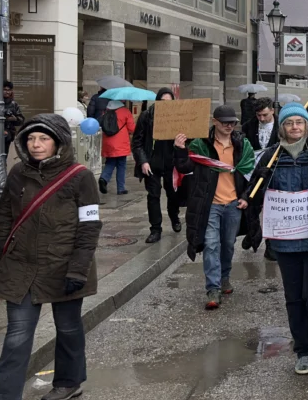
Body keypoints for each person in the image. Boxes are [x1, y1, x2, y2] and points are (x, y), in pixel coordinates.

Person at [0, 114, 101, 400]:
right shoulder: (18, 173)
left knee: (69, 329)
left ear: (58, 141)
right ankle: (4, 397)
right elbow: (5, 220)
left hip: (64, 265)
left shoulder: (80, 177)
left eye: (43, 138)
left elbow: (89, 225)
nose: (36, 144)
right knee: (17, 333)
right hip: (21, 266)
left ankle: (68, 383)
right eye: (31, 138)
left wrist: (78, 269)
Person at [239, 103, 308, 375]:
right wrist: (246, 200)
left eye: (299, 123)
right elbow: (255, 186)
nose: (295, 128)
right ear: (282, 127)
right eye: (289, 123)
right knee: (293, 297)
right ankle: (302, 349)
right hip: (285, 241)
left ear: (306, 126)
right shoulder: (270, 156)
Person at [174, 105, 256, 310]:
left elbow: (250, 174)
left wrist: (246, 197)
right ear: (214, 122)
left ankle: (225, 277)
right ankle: (213, 288)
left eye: (233, 122)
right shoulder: (201, 145)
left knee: (228, 245)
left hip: (233, 204)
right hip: (209, 204)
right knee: (211, 245)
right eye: (225, 122)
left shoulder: (241, 145)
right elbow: (184, 167)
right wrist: (179, 149)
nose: (230, 126)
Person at [132, 88, 181, 244]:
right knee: (153, 196)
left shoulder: (178, 117)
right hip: (152, 164)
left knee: (173, 194)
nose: (165, 105)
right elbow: (137, 142)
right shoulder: (147, 116)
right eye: (162, 101)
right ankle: (155, 229)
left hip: (171, 163)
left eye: (169, 101)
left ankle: (174, 217)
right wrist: (143, 161)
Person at [98, 100, 135, 196]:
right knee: (121, 165)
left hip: (108, 143)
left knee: (110, 162)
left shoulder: (106, 111)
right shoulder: (125, 111)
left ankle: (103, 178)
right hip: (121, 143)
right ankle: (121, 188)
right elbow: (132, 128)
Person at [2, 81, 25, 152]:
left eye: (9, 90)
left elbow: (21, 120)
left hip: (8, 134)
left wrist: (14, 119)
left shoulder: (14, 104)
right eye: (5, 90)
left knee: (4, 155)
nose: (7, 92)